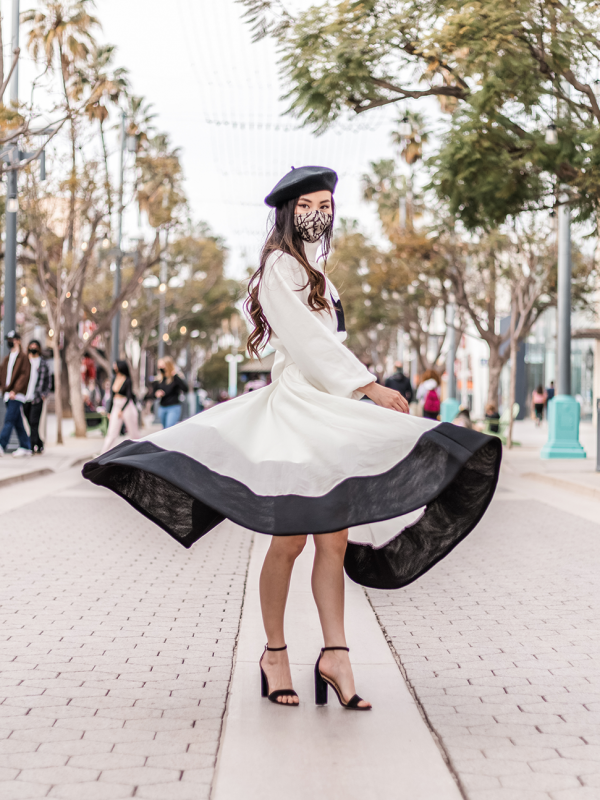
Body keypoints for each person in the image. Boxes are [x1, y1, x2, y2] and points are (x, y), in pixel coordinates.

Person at [84, 165, 501, 712]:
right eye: (307, 204)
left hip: (330, 414)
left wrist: (359, 389)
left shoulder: (320, 276)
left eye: (326, 204)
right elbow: (307, 343)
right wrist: (368, 385)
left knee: (331, 541)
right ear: (287, 211)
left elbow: (330, 342)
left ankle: (336, 656)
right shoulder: (279, 267)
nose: (318, 214)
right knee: (290, 541)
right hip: (298, 414)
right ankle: (275, 654)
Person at [0, 330, 32, 458]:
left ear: (18, 340)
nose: (10, 342)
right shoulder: (7, 358)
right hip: (8, 394)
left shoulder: (23, 357)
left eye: (12, 339)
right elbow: (2, 375)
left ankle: (1, 444)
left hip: (16, 395)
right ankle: (26, 446)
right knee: (17, 421)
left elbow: (24, 375)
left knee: (8, 420)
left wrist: (15, 390)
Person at [101, 360, 140, 454]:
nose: (114, 368)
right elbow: (111, 395)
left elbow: (129, 396)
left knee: (133, 432)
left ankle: (139, 452)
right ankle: (104, 453)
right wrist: (109, 411)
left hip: (127, 406)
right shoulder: (114, 379)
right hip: (116, 404)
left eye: (116, 366)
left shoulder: (127, 380)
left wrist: (122, 410)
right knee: (112, 432)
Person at [23, 339, 51, 454]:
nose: (33, 348)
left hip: (37, 397)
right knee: (30, 422)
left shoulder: (43, 363)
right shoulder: (25, 362)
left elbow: (48, 381)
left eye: (35, 346)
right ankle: (39, 443)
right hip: (25, 397)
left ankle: (32, 446)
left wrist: (44, 394)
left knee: (34, 422)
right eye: (31, 346)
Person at [154, 356, 188, 428]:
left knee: (169, 427)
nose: (160, 368)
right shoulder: (160, 379)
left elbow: (185, 389)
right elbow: (153, 393)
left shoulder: (175, 378)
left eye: (162, 366)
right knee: (164, 429)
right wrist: (157, 393)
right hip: (162, 407)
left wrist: (175, 375)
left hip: (173, 407)